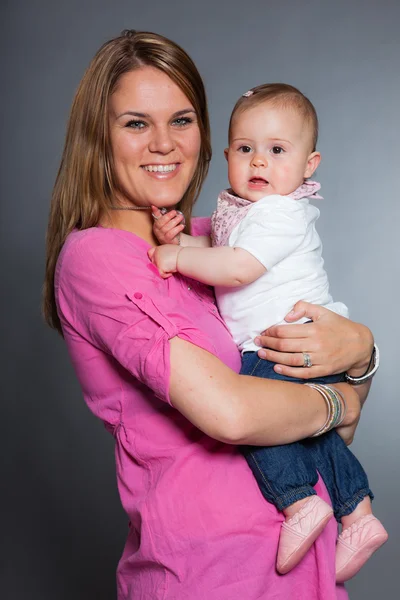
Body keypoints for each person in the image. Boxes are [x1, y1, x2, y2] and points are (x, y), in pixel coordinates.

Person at [43, 30, 377, 600]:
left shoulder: (218, 243)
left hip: (307, 568)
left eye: (181, 119)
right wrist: (345, 394)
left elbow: (324, 409)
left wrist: (361, 352)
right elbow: (234, 413)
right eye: (135, 123)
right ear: (99, 136)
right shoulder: (97, 258)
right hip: (211, 573)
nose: (163, 144)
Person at [149, 83, 388, 581]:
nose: (259, 162)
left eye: (277, 151)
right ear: (229, 154)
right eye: (245, 149)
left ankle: (299, 501)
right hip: (282, 338)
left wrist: (177, 256)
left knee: (263, 416)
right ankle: (358, 512)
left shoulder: (281, 212)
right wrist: (184, 235)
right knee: (312, 432)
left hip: (287, 339)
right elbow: (222, 243)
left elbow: (237, 267)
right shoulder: (246, 212)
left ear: (309, 164)